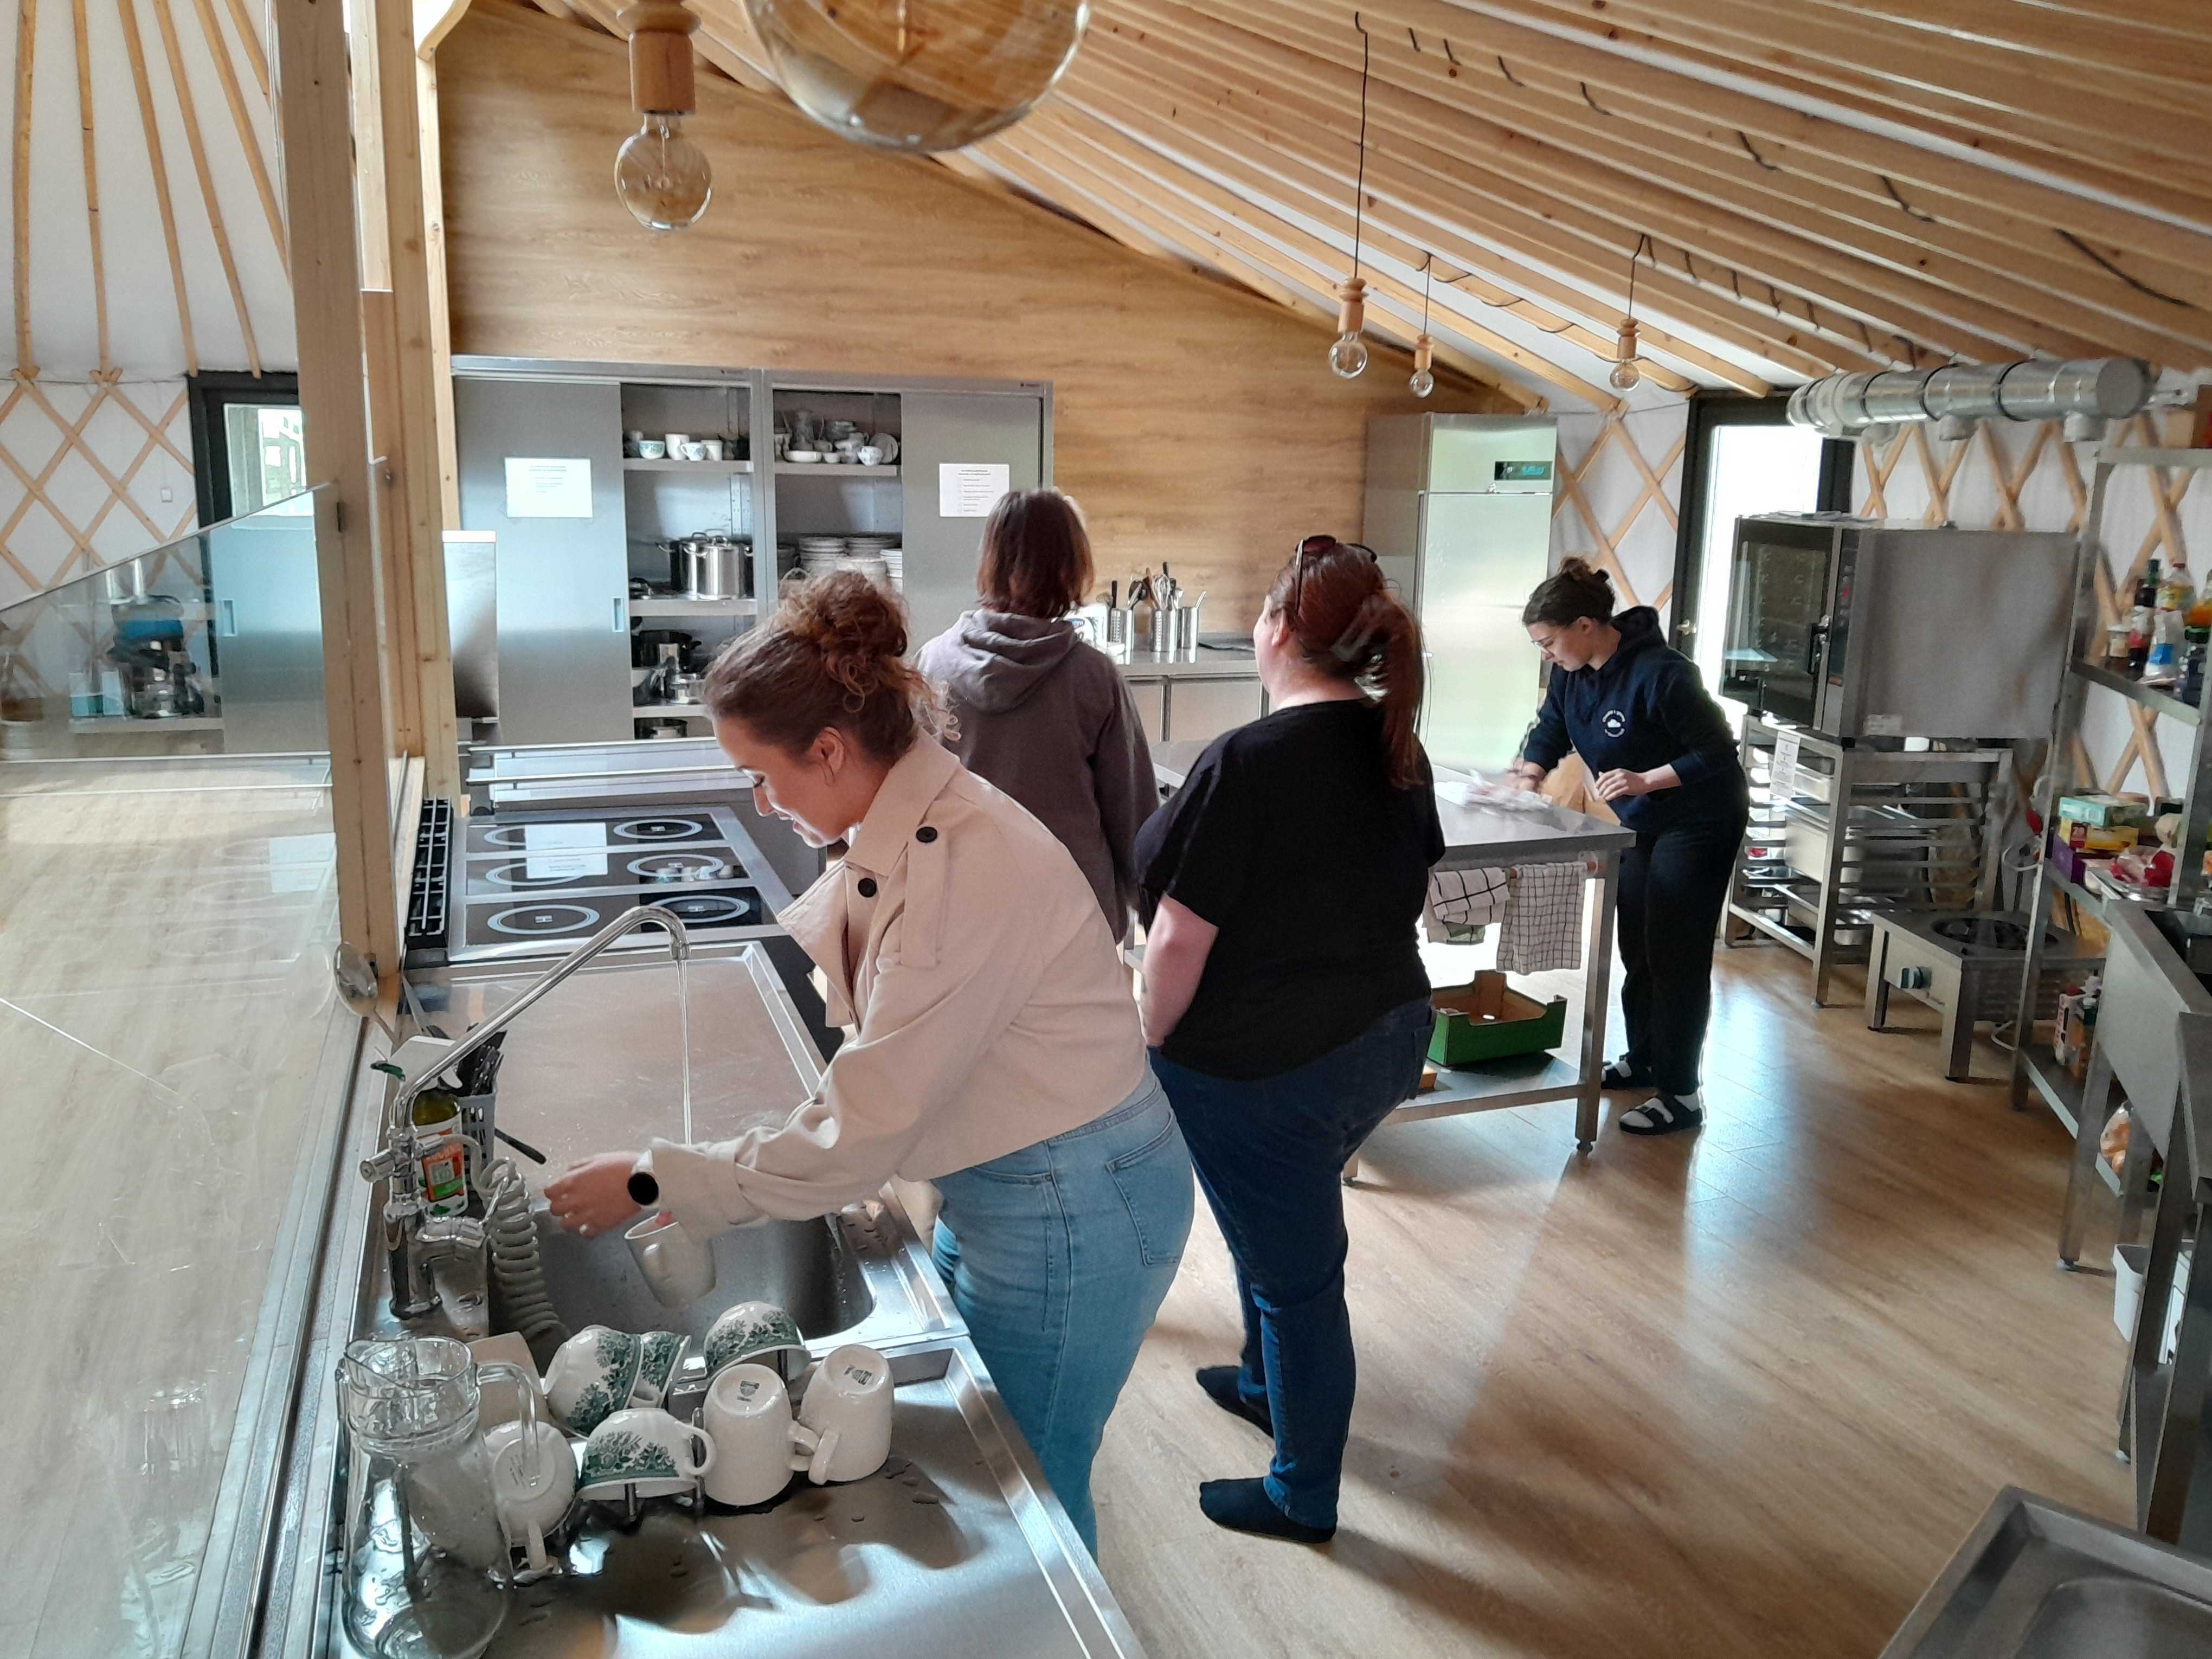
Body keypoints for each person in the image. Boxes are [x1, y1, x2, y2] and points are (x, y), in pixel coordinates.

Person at [544, 573, 1193, 1553]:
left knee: (1038, 1494)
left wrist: (650, 1180)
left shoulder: (962, 868)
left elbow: (855, 1138)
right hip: (1016, 1180)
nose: (762, 802)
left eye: (763, 775)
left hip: (1075, 1200)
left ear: (830, 750)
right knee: (1000, 1465)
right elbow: (887, 1057)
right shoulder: (913, 824)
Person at [1133, 536, 1442, 1545]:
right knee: (1270, 1226)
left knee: (1299, 1277)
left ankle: (1302, 1493)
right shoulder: (1396, 748)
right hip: (1387, 1035)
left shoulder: (1250, 761)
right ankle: (1268, 1386)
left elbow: (1179, 938)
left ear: (1275, 632)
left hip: (1269, 1064)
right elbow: (1404, 887)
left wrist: (1150, 1041)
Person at [1506, 556, 1749, 1136]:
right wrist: (1528, 774)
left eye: (1549, 642)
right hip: (1639, 822)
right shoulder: (1572, 674)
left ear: (1585, 626)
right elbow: (1552, 726)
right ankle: (1645, 1059)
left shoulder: (1664, 674)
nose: (1547, 655)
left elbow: (1718, 750)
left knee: (1675, 949)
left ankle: (1682, 1093)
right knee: (1636, 942)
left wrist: (1646, 779)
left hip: (1699, 818)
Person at [916, 488, 1155, 937]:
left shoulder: (932, 664)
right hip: (1071, 918)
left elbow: (911, 797)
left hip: (960, 910)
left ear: (990, 562)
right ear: (1071, 567)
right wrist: (1149, 911)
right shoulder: (1094, 677)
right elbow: (1133, 814)